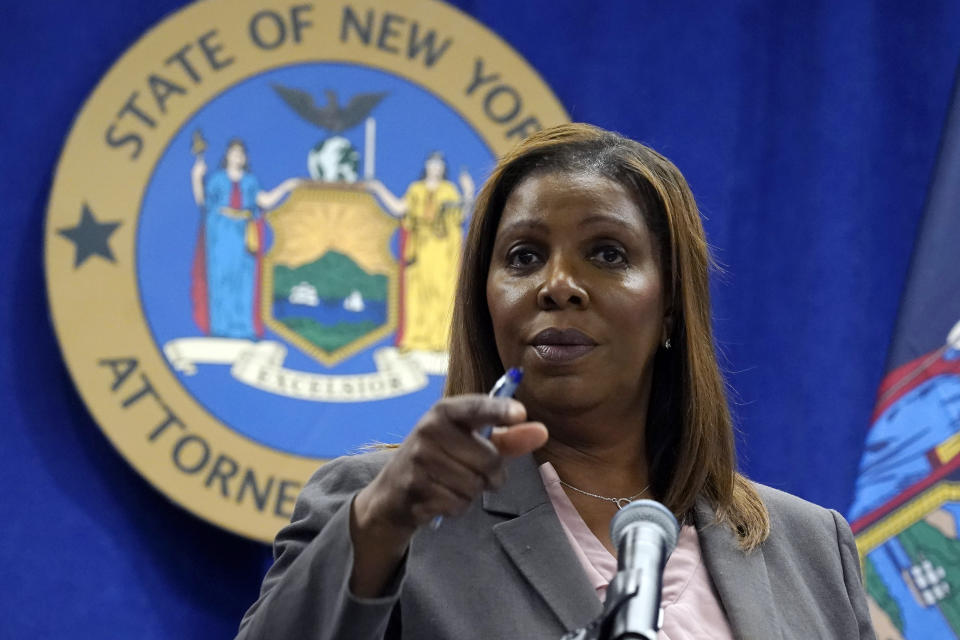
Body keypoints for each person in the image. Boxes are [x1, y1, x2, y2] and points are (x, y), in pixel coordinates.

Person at [235, 124, 875, 639]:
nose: (558, 285)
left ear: (672, 305)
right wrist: (379, 523)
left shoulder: (810, 550)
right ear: (486, 301)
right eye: (523, 257)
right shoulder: (383, 512)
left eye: (607, 254)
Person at [190, 139, 301, 339]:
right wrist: (196, 178)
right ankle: (221, 328)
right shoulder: (217, 179)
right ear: (227, 156)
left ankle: (242, 328)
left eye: (241, 153)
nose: (237, 157)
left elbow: (265, 201)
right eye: (234, 153)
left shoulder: (251, 181)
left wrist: (287, 186)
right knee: (221, 278)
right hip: (220, 233)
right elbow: (203, 203)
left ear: (245, 158)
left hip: (244, 233)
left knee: (244, 280)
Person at [366, 152, 475, 354]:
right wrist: (378, 189)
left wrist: (468, 191)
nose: (435, 168)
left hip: (442, 251)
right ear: (427, 166)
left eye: (439, 165)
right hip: (420, 249)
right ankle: (415, 338)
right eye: (432, 164)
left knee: (441, 291)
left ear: (443, 168)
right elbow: (399, 208)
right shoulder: (416, 190)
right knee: (417, 292)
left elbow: (462, 214)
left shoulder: (448, 190)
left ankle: (440, 340)